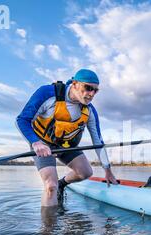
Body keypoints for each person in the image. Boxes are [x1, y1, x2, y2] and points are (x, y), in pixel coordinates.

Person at [16, 69, 118, 208]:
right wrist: (36, 142)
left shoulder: (90, 110)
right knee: (51, 186)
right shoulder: (47, 93)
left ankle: (62, 183)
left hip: (66, 146)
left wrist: (108, 171)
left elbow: (98, 142)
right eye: (88, 88)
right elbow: (22, 120)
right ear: (75, 84)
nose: (92, 94)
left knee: (86, 172)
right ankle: (48, 229)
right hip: (43, 145)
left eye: (96, 90)